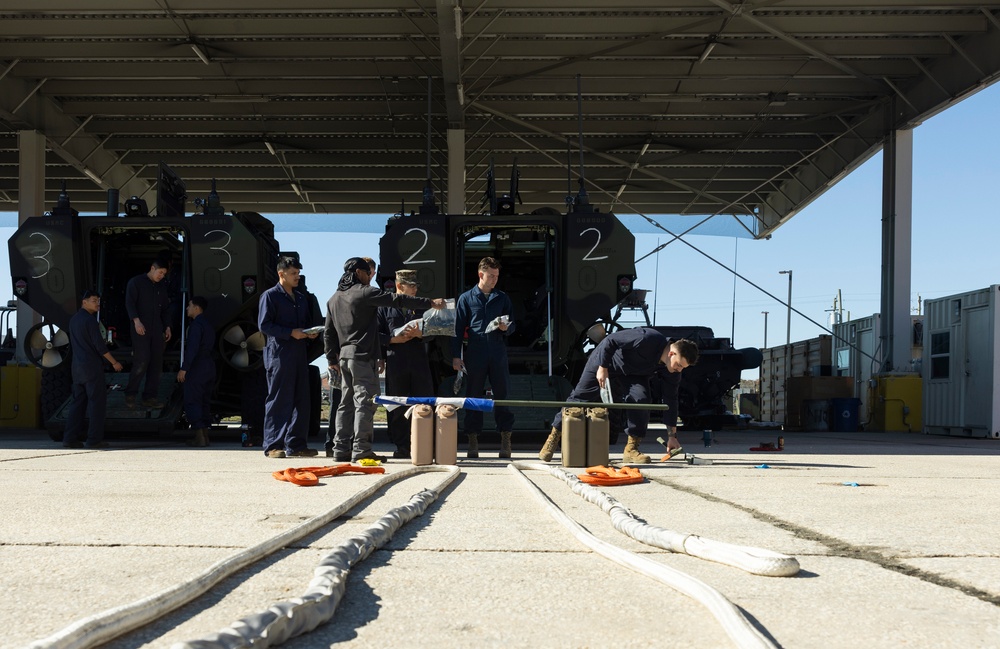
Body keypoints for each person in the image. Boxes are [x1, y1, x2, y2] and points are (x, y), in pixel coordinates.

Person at [326, 257, 444, 462]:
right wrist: (430, 303)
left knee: (345, 404)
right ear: (359, 273)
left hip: (344, 357)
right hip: (362, 357)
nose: (370, 277)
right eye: (368, 273)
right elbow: (397, 300)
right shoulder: (365, 292)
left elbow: (328, 333)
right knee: (365, 403)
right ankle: (361, 449)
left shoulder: (334, 299)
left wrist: (331, 359)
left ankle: (341, 448)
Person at [538, 328, 699, 464]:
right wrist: (602, 368)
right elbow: (611, 340)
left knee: (641, 400)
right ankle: (553, 439)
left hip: (634, 374)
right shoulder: (646, 338)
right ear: (671, 353)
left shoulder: (672, 371)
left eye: (683, 368)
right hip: (607, 361)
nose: (679, 370)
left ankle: (631, 449)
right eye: (679, 365)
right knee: (580, 398)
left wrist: (672, 436)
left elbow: (671, 399)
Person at [451, 257, 515, 459]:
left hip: (497, 350)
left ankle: (505, 439)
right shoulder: (466, 298)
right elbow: (457, 329)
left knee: (502, 395)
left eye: (497, 276)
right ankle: (472, 440)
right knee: (473, 396)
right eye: (491, 276)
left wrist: (506, 328)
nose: (495, 279)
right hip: (475, 351)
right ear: (481, 274)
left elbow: (513, 325)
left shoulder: (502, 298)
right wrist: (456, 356)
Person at [258, 256, 320, 459]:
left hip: (299, 355)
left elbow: (305, 324)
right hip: (280, 355)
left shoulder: (301, 298)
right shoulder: (270, 296)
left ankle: (296, 445)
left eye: (298, 273)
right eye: (293, 273)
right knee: (279, 400)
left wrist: (310, 333)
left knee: (302, 401)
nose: (297, 277)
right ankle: (273, 445)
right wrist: (290, 332)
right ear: (281, 274)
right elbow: (264, 325)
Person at [376, 269, 434, 459]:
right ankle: (401, 446)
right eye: (412, 286)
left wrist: (421, 334)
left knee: (423, 402)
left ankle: (424, 444)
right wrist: (390, 343)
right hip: (396, 361)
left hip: (419, 361)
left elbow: (435, 331)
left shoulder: (422, 307)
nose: (415, 289)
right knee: (397, 404)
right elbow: (377, 334)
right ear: (400, 286)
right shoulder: (384, 307)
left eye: (416, 286)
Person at [62, 290, 123, 449]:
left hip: (77, 369)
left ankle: (69, 438)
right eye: (94, 301)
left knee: (77, 404)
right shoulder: (90, 321)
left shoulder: (74, 320)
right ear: (84, 302)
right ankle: (94, 439)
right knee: (97, 404)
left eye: (98, 301)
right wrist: (114, 362)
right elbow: (100, 347)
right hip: (92, 368)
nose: (97, 304)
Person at [124, 258, 172, 408]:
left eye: (164, 274)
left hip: (157, 328)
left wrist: (168, 327)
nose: (162, 276)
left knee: (156, 363)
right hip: (140, 327)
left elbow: (165, 309)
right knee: (142, 360)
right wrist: (136, 321)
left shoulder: (161, 286)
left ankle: (150, 397)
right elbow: (130, 303)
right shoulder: (136, 282)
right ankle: (130, 395)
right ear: (152, 268)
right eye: (160, 272)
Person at [177, 296, 216, 447]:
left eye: (189, 305)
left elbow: (192, 349)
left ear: (197, 308)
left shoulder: (196, 326)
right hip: (209, 366)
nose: (187, 308)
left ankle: (199, 437)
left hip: (197, 367)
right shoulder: (208, 325)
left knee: (193, 400)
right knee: (205, 401)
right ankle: (205, 436)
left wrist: (184, 368)